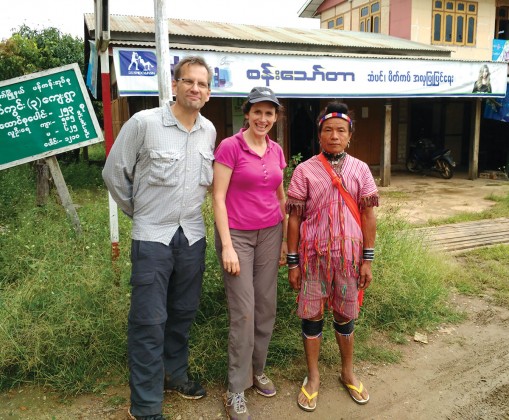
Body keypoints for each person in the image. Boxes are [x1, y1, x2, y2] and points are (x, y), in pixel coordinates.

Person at [102, 56, 216, 420]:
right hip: (152, 238)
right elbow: (114, 173)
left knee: (182, 313)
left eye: (202, 84)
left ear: (209, 93)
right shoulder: (144, 123)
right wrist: (141, 212)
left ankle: (175, 374)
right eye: (188, 81)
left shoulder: (209, 131)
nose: (195, 88)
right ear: (175, 85)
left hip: (192, 237)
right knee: (149, 322)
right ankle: (146, 406)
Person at [286, 101, 378, 412]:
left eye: (341, 130)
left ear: (350, 135)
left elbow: (368, 217)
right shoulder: (304, 170)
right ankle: (313, 378)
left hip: (349, 262)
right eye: (328, 130)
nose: (334, 136)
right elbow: (294, 220)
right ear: (320, 134)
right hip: (313, 260)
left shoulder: (361, 170)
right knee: (312, 317)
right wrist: (293, 263)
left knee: (344, 316)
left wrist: (368, 260)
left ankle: (347, 372)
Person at [213, 87, 287, 420]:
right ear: (247, 113)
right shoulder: (230, 147)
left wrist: (286, 240)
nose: (263, 118)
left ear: (275, 117)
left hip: (271, 233)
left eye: (269, 113)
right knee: (243, 311)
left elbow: (280, 195)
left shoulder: (276, 150)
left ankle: (257, 371)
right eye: (257, 111)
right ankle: (235, 388)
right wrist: (227, 245)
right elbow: (217, 198)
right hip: (238, 236)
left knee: (266, 305)